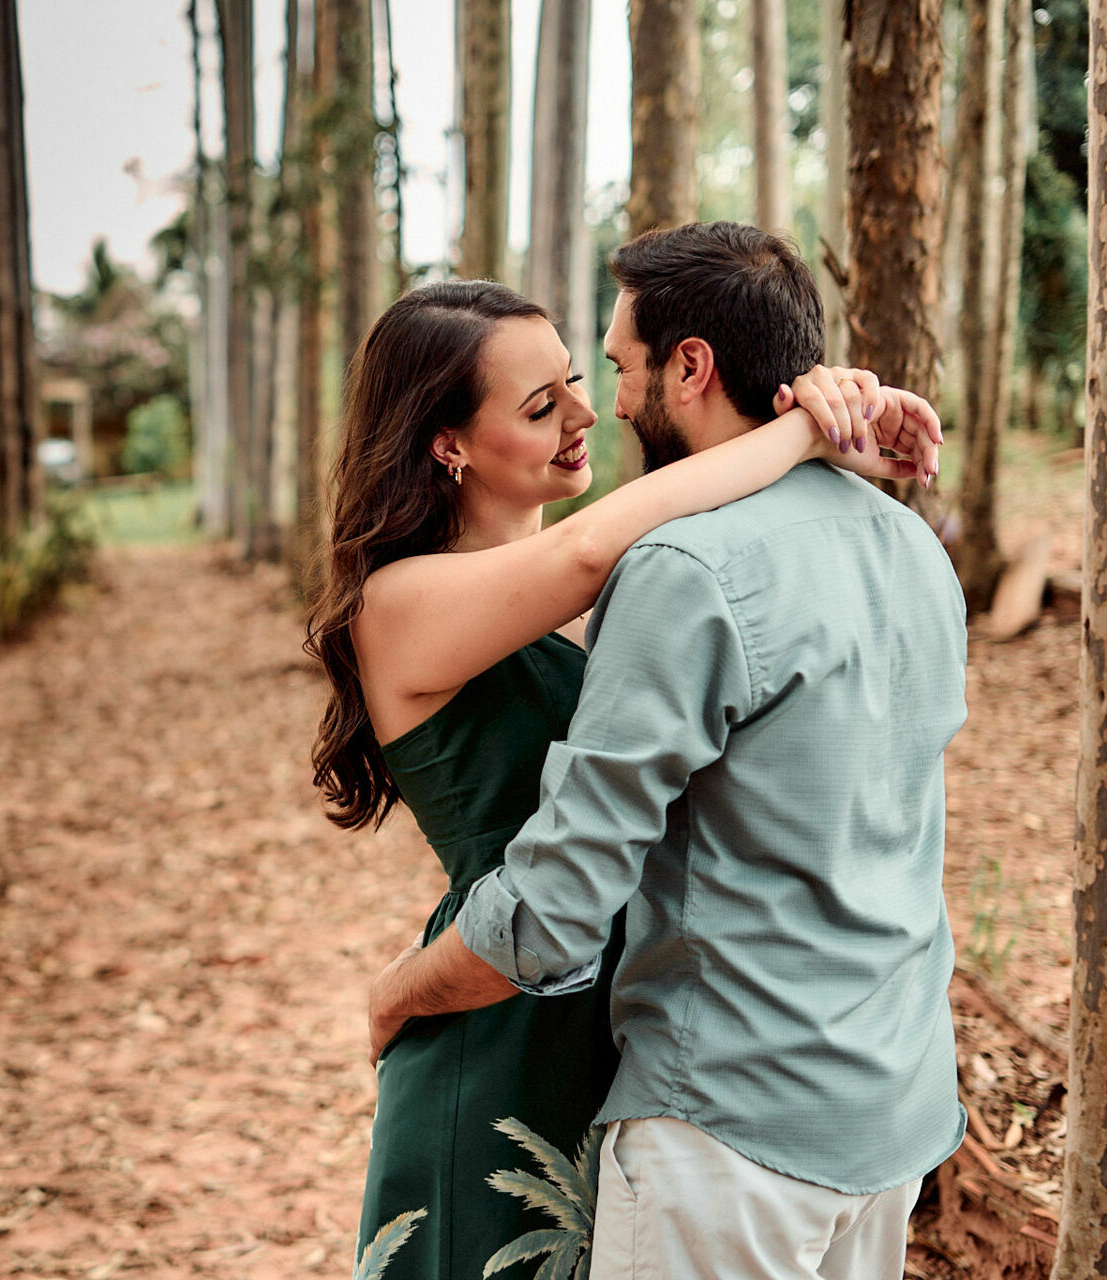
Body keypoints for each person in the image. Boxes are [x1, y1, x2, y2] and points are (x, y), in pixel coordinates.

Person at [361, 221, 968, 1279]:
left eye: (595, 376)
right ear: (447, 442)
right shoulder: (407, 603)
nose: (595, 408)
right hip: (503, 1017)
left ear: (690, 367)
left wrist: (814, 428)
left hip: (634, 1033)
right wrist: (803, 428)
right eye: (545, 402)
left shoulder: (635, 563)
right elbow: (603, 546)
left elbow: (634, 543)